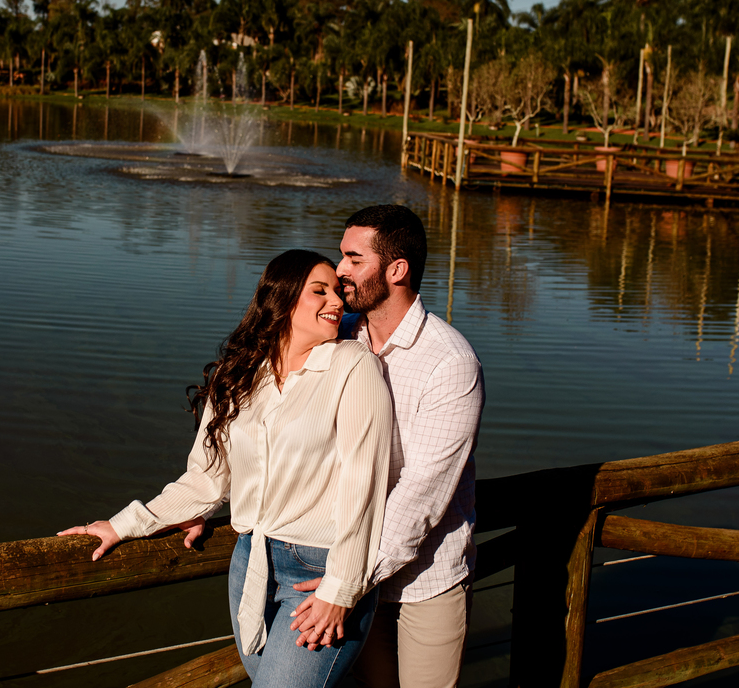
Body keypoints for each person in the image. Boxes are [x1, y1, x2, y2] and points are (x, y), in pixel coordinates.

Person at [59, 249, 394, 688]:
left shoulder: (353, 366)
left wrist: (342, 588)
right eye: (320, 291)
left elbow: (363, 487)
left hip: (319, 572)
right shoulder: (238, 375)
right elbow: (207, 479)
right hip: (250, 562)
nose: (337, 301)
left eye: (337, 291)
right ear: (283, 298)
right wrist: (125, 525)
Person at [290, 205, 485, 688]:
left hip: (424, 581)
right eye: (341, 258)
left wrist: (347, 581)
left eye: (354, 259)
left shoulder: (450, 362)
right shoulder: (337, 337)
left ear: (396, 270)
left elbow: (422, 494)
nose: (339, 272)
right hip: (339, 567)